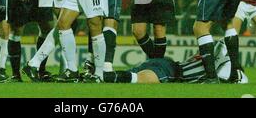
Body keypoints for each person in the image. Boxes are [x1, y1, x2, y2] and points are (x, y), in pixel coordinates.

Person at [103, 39, 248, 84]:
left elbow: (204, 49)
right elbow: (230, 81)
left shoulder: (219, 47)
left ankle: (102, 75)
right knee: (142, 79)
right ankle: (111, 77)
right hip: (174, 73)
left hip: (168, 63)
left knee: (132, 73)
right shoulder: (227, 69)